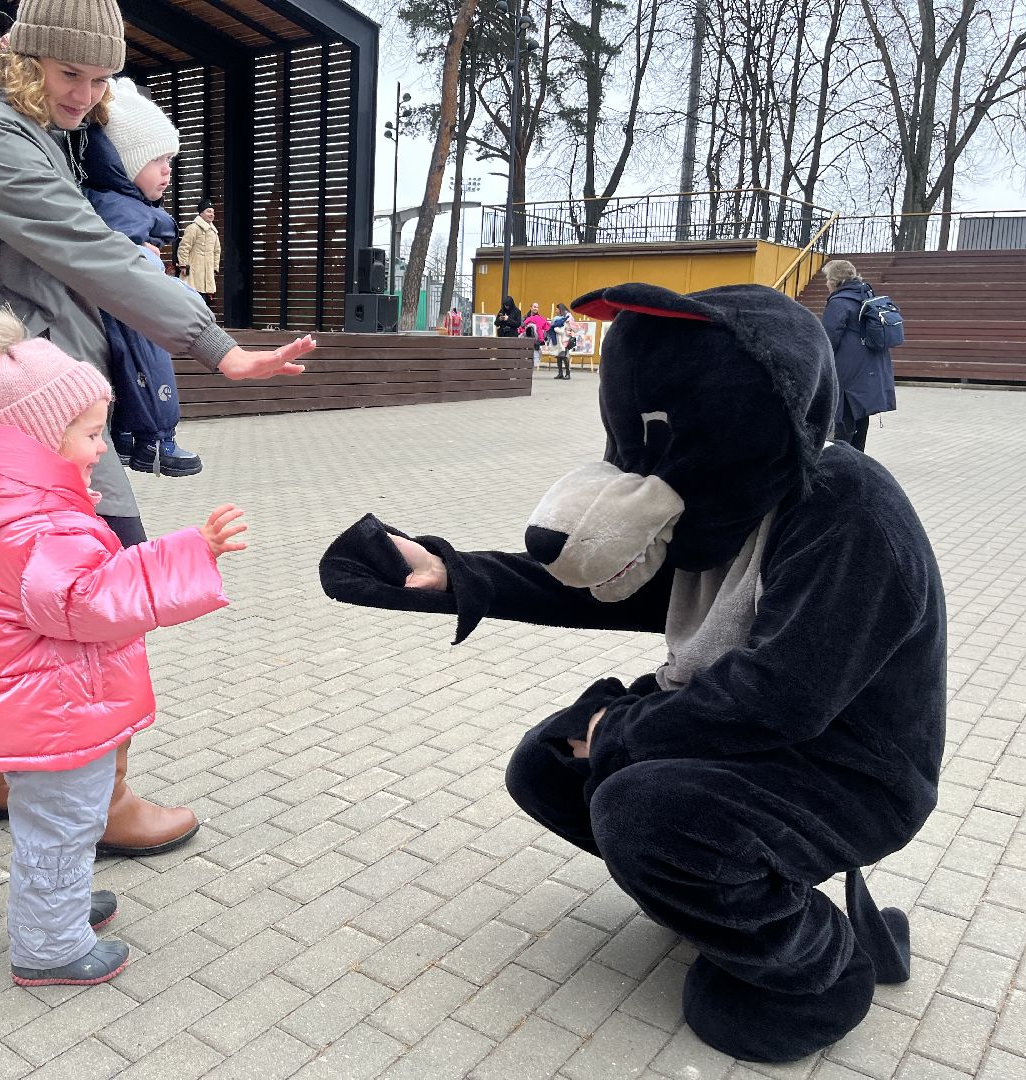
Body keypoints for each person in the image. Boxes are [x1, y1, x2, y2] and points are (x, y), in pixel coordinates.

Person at [321, 282, 943, 1063]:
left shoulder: (843, 507)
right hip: (756, 731)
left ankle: (820, 966)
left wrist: (619, 731)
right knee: (549, 765)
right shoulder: (720, 504)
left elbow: (782, 697)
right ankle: (728, 894)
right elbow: (599, 588)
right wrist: (454, 576)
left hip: (851, 769)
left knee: (644, 811)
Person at [0, 0, 315, 856]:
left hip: (25, 410)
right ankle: (105, 801)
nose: (84, 95)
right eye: (70, 74)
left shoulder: (26, 120)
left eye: (101, 81)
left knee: (13, 604)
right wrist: (217, 347)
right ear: (24, 58)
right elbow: (91, 250)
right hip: (38, 424)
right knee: (111, 599)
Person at [0, 307, 243, 986]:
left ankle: (64, 908)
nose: (100, 446)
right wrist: (188, 555)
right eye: (87, 433)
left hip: (47, 705)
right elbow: (90, 603)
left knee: (65, 823)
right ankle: (49, 948)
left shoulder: (25, 507)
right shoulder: (44, 525)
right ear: (42, 439)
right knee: (59, 828)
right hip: (53, 714)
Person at [83, 79, 202, 477]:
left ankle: (137, 438)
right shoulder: (118, 208)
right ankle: (155, 439)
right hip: (119, 322)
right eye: (158, 161)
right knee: (146, 354)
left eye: (171, 160)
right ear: (127, 161)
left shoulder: (119, 205)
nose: (168, 171)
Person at [821, 260, 895, 452]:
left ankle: (843, 465)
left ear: (835, 280)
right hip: (868, 371)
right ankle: (858, 461)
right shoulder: (866, 295)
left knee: (843, 424)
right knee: (860, 421)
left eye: (827, 279)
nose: (826, 283)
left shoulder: (839, 302)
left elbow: (827, 339)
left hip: (848, 375)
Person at [178, 198, 221, 306]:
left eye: (213, 212)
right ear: (201, 213)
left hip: (208, 271)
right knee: (192, 298)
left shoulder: (214, 232)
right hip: (193, 270)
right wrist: (183, 265)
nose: (211, 214)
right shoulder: (193, 228)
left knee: (204, 301)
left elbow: (217, 251)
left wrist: (215, 268)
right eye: (208, 211)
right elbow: (184, 247)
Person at [548, 302, 574, 380]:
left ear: (560, 309)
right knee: (559, 356)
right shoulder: (559, 318)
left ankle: (568, 374)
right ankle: (560, 373)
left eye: (557, 309)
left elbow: (567, 328)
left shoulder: (568, 317)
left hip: (564, 339)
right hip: (559, 339)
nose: (556, 310)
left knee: (565, 356)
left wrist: (557, 329)